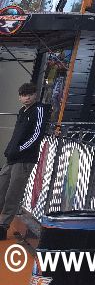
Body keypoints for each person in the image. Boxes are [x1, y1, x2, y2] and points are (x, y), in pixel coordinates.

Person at [0, 83, 47, 239]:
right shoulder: (22, 111)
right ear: (19, 97)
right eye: (23, 95)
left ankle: (3, 226)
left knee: (13, 193)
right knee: (2, 188)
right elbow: (16, 134)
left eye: (29, 95)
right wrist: (10, 150)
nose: (26, 98)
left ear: (35, 95)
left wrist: (19, 149)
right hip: (12, 157)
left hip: (25, 159)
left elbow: (37, 135)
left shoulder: (39, 110)